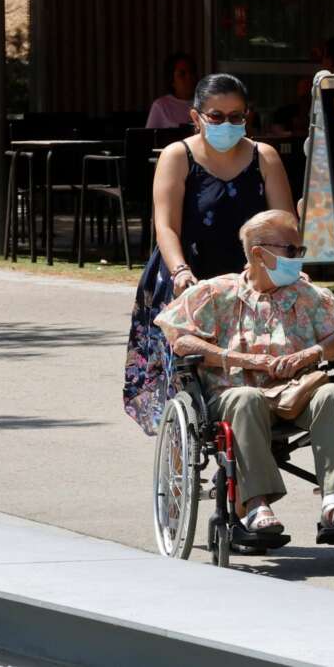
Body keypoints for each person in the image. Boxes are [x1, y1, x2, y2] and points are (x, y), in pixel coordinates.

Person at [155, 210, 334, 532]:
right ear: (258, 253)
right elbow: (180, 340)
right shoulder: (216, 293)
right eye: (291, 251)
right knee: (246, 398)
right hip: (233, 397)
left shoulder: (306, 295)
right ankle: (255, 505)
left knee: (333, 394)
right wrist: (241, 360)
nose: (298, 259)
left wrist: (310, 353)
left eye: (300, 251)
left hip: (295, 393)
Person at [124, 73, 295, 435]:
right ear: (196, 116)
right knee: (189, 368)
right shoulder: (178, 156)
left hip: (250, 278)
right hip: (191, 274)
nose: (227, 124)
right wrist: (180, 271)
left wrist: (286, 265)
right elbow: (166, 226)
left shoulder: (264, 157)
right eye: (216, 116)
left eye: (236, 117)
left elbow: (283, 225)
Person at [146, 53, 198, 128]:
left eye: (192, 72)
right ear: (171, 79)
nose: (189, 78)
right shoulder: (161, 105)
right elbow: (148, 137)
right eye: (182, 74)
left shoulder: (206, 103)